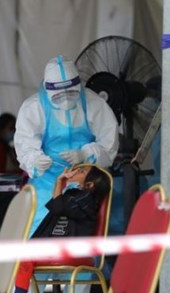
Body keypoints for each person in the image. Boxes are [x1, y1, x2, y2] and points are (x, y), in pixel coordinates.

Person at [14, 55, 118, 236]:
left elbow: (109, 144)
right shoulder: (33, 107)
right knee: (37, 234)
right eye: (59, 95)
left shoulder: (95, 104)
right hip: (46, 184)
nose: (66, 100)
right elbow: (25, 144)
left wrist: (85, 155)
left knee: (83, 236)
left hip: (84, 186)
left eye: (71, 93)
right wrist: (34, 161)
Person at [0, 165, 110, 293]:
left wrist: (60, 181)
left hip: (70, 248)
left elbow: (58, 206)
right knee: (19, 257)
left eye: (81, 172)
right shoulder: (72, 195)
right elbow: (57, 206)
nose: (75, 171)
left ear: (90, 185)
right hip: (54, 245)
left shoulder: (87, 200)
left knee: (25, 254)